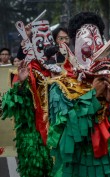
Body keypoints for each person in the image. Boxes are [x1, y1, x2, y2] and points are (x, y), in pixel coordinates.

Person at [46, 12, 110, 177]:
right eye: (87, 45)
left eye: (98, 43)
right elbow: (65, 135)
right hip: (78, 167)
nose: (94, 50)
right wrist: (92, 96)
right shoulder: (61, 88)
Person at [1, 19, 61, 177]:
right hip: (33, 135)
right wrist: (21, 84)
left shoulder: (57, 71)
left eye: (49, 43)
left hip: (55, 134)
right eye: (42, 44)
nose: (47, 49)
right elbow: (12, 105)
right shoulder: (26, 71)